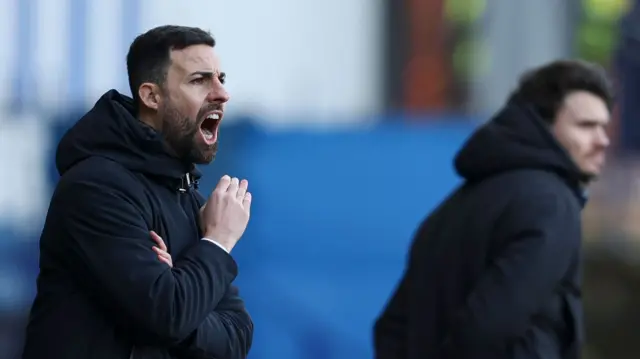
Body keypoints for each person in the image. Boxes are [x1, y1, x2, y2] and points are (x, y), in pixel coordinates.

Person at [22, 25, 253, 359]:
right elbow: (167, 316)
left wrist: (184, 287)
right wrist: (217, 244)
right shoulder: (95, 188)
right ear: (151, 96)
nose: (221, 93)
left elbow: (237, 336)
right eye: (199, 80)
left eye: (221, 78)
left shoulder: (188, 198)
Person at [373, 60, 613, 359]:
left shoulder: (451, 209)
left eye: (604, 126)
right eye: (586, 126)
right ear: (542, 126)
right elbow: (488, 326)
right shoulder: (552, 204)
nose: (603, 140)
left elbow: (391, 328)